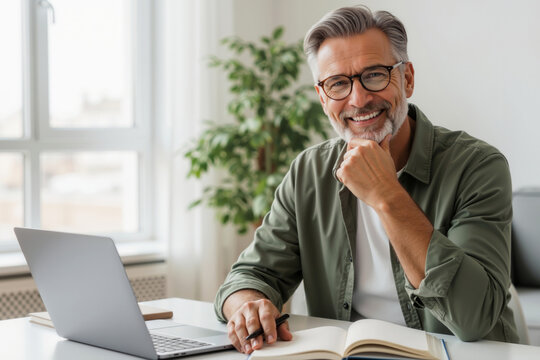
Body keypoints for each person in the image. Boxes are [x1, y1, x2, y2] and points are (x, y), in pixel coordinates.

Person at [214, 5, 519, 354]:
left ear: (407, 78)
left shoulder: (476, 166)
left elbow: (474, 317)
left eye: (374, 74)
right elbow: (250, 275)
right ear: (322, 97)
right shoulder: (308, 172)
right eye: (338, 84)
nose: (358, 99)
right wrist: (247, 306)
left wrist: (386, 194)